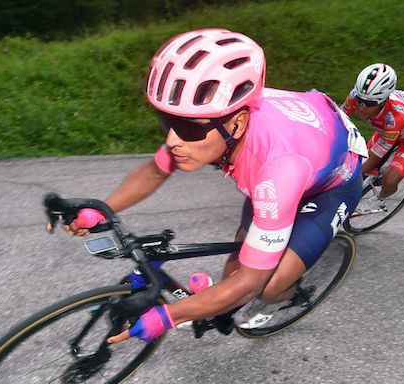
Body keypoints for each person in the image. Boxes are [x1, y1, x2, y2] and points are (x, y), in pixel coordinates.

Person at [60, 28, 367, 344]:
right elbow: (154, 171)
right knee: (234, 267)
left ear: (238, 123)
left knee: (269, 284)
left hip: (333, 182)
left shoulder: (277, 171)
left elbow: (249, 283)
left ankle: (289, 296)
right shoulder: (214, 125)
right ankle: (225, 306)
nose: (171, 141)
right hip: (300, 142)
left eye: (186, 128)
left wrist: (169, 316)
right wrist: (101, 210)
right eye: (167, 121)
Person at [341, 63, 404, 210]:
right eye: (360, 100)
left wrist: (350, 177)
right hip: (389, 131)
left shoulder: (395, 118)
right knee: (357, 167)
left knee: (389, 180)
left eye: (369, 103)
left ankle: (381, 199)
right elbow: (338, 121)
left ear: (383, 101)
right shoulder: (357, 95)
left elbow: (376, 155)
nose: (361, 107)